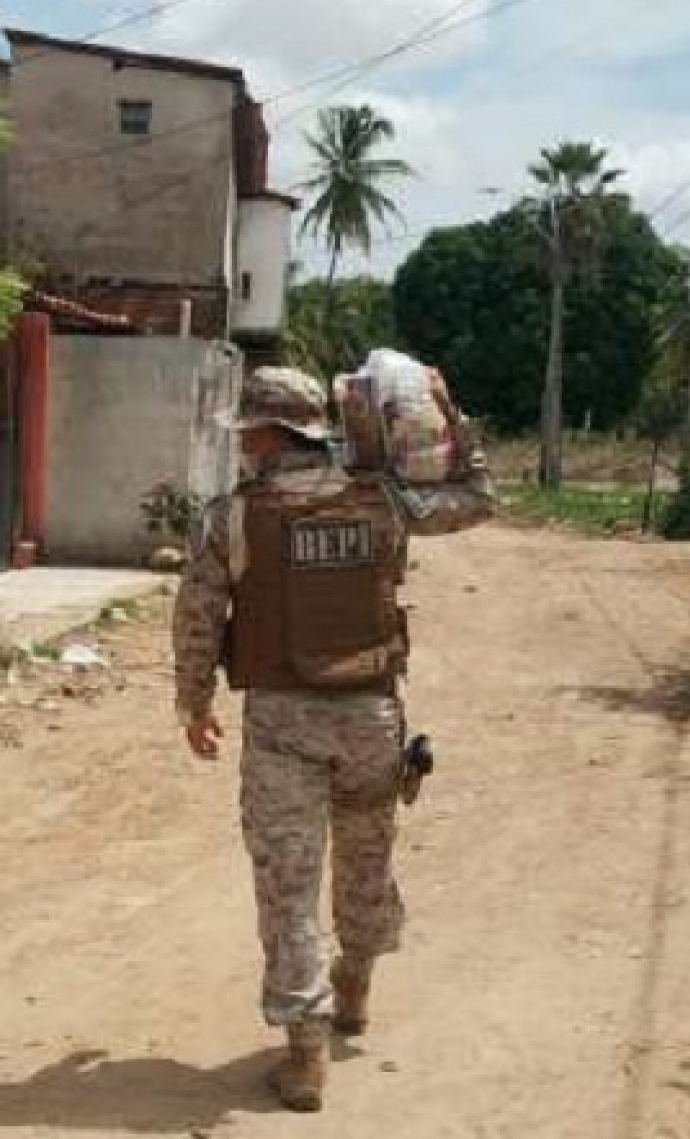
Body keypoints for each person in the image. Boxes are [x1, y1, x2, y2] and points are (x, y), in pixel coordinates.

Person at [172, 366, 492, 1112]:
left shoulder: (233, 517)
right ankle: (355, 986)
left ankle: (306, 1052)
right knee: (365, 859)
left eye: (246, 432)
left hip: (284, 722)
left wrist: (194, 702)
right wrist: (452, 418)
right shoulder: (385, 498)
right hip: (372, 717)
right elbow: (479, 497)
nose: (243, 444)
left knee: (288, 883)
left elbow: (198, 618)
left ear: (264, 433)